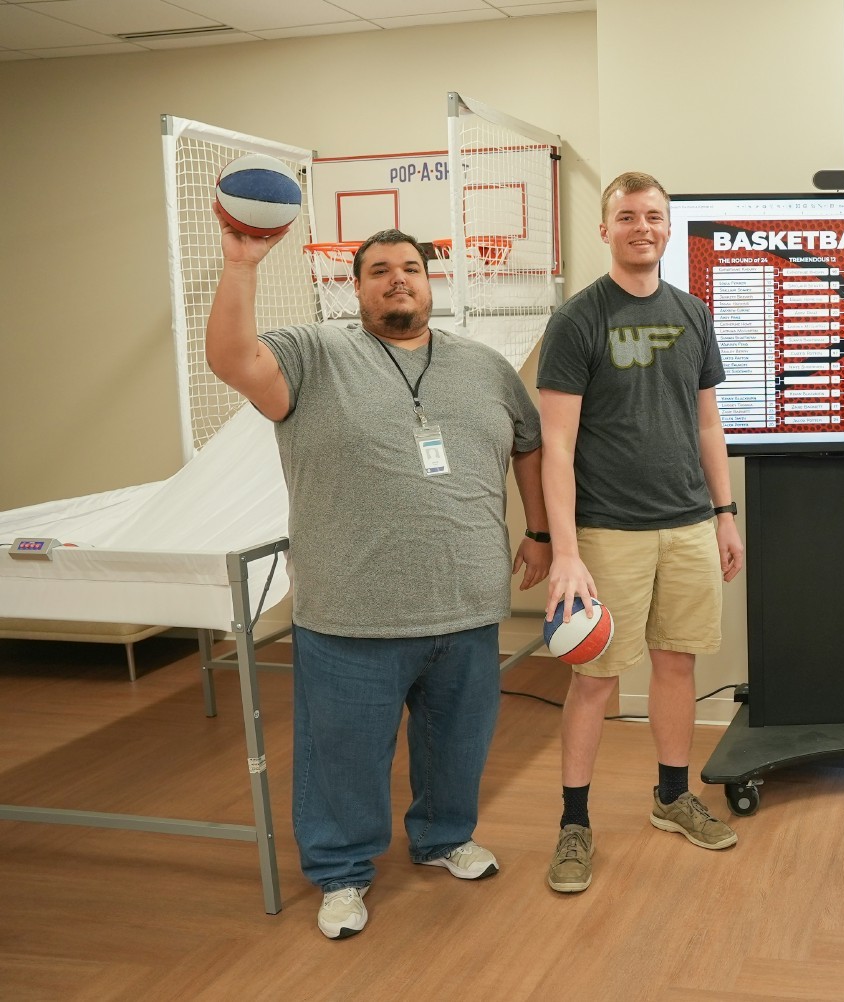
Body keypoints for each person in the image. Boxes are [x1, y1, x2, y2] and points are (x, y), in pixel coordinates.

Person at [204, 216, 550, 937]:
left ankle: (444, 836)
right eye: (380, 270)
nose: (398, 278)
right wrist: (242, 265)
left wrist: (542, 531)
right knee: (344, 758)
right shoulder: (314, 353)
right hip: (350, 613)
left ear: (431, 282)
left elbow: (528, 444)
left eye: (411, 268)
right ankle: (340, 873)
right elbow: (234, 359)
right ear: (355, 286)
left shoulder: (483, 366)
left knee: (458, 743)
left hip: (465, 605)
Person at [535, 170, 745, 894]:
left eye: (653, 216)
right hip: (607, 532)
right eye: (627, 216)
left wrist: (725, 514)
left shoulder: (693, 313)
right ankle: (574, 823)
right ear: (605, 229)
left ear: (666, 226)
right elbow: (555, 445)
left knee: (678, 665)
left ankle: (670, 795)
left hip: (688, 524)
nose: (642, 227)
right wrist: (565, 552)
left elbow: (708, 424)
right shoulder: (578, 320)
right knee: (595, 680)